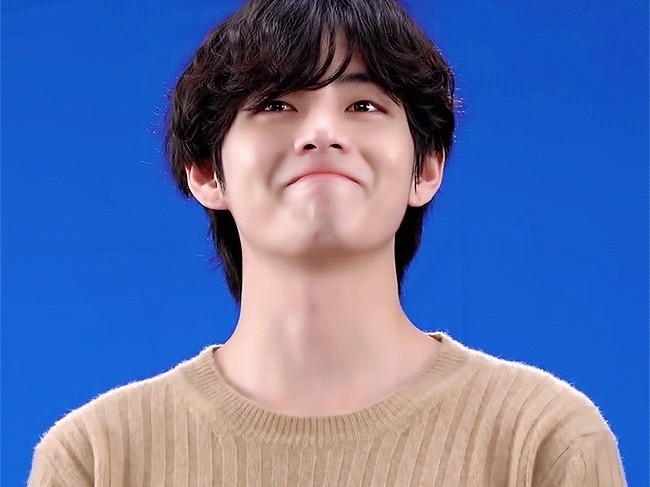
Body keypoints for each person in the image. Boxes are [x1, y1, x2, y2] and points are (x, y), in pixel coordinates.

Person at [29, 0, 627, 485]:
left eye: (363, 104)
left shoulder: (543, 441)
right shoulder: (98, 458)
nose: (320, 133)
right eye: (276, 103)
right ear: (207, 172)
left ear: (426, 168)